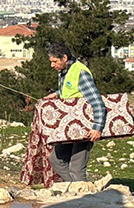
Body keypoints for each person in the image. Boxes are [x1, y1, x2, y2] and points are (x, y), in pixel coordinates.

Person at [42, 41, 107, 182]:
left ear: (64, 58)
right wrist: (57, 94)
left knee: (77, 168)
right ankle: (74, 187)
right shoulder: (64, 71)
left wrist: (97, 128)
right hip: (68, 127)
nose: (52, 65)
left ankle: (83, 193)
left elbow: (97, 102)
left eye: (54, 61)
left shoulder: (81, 72)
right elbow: (73, 91)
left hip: (85, 128)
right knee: (56, 160)